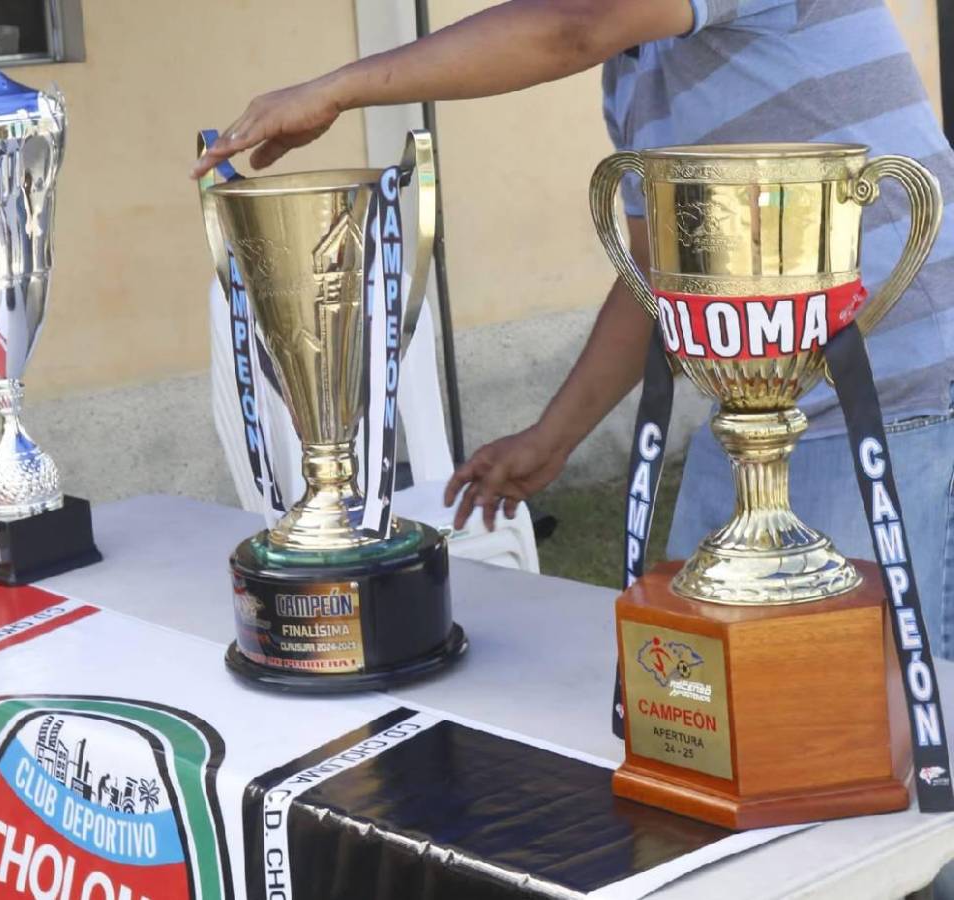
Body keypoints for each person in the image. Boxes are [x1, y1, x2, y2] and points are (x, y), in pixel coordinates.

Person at [190, 1, 954, 663]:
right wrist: (552, 438)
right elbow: (655, 277)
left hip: (904, 410)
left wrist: (333, 91)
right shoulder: (633, 74)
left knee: (868, 727)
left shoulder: (602, 24)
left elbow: (569, 26)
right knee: (721, 699)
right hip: (757, 428)